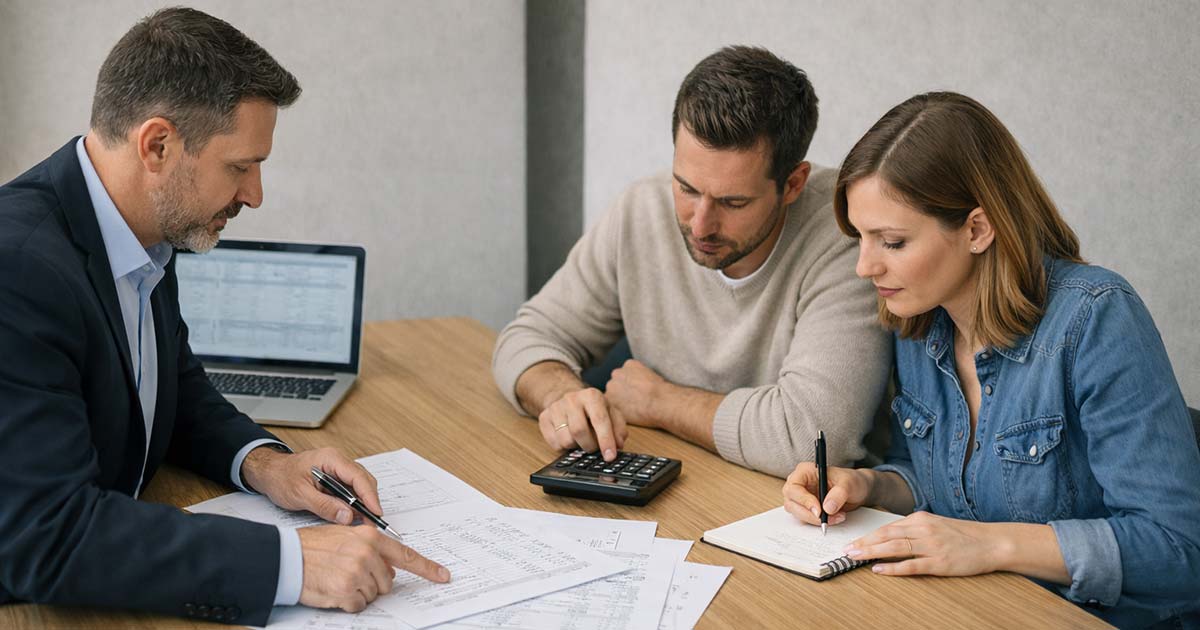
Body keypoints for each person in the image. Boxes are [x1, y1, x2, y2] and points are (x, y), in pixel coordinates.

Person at [0, 8, 448, 626]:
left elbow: (170, 390)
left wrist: (268, 465)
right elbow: (44, 534)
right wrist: (291, 563)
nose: (254, 195)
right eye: (240, 167)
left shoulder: (146, 228)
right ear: (157, 146)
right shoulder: (17, 269)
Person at [782, 92, 1200, 629]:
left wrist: (990, 544)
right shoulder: (918, 320)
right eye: (860, 238)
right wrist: (867, 487)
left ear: (977, 229)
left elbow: (1179, 549)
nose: (865, 267)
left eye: (892, 241)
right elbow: (940, 485)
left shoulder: (1097, 318)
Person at [492, 46, 891, 477]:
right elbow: (528, 336)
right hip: (687, 481)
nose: (700, 225)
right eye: (686, 188)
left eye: (732, 202)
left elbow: (812, 437)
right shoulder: (641, 211)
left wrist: (661, 402)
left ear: (793, 184)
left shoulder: (847, 236)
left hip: (795, 506)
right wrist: (560, 395)